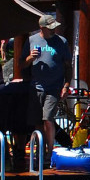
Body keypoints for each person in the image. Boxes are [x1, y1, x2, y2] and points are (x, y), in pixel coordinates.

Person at [21, 14, 72, 157]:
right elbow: (22, 64)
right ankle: (40, 150)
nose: (53, 30)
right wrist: (30, 58)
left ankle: (50, 152)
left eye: (54, 27)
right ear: (41, 28)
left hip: (54, 87)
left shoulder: (62, 42)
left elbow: (68, 66)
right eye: (50, 28)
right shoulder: (32, 40)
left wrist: (66, 86)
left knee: (48, 118)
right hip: (36, 87)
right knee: (37, 121)